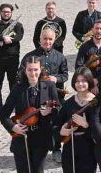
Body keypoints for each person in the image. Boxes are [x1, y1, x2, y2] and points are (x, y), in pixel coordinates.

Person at [1, 56, 58, 173]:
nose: (33, 73)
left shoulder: (49, 87)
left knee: (38, 172)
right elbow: (3, 114)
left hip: (40, 137)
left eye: (36, 69)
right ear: (24, 71)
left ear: (41, 70)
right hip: (22, 137)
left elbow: (59, 111)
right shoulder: (18, 88)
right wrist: (13, 127)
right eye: (29, 70)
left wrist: (49, 113)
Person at [56, 69, 100, 173]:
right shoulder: (68, 103)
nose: (80, 84)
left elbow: (100, 129)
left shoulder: (95, 103)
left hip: (88, 147)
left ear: (89, 82)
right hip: (70, 145)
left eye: (84, 80)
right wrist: (61, 132)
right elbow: (57, 125)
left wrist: (86, 124)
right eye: (77, 81)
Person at [21, 28, 70, 162]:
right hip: (35, 97)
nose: (47, 41)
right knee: (37, 122)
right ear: (40, 39)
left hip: (55, 96)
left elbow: (65, 75)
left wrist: (56, 79)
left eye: (50, 39)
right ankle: (35, 148)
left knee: (55, 122)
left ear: (54, 40)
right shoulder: (29, 56)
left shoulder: (60, 57)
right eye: (45, 38)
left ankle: (56, 149)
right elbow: (21, 75)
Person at [0, 3, 24, 103]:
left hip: (12, 59)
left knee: (13, 82)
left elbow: (18, 37)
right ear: (0, 12)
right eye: (4, 12)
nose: (6, 14)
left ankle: (13, 103)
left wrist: (2, 40)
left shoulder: (17, 25)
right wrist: (2, 37)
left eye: (8, 12)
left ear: (11, 13)